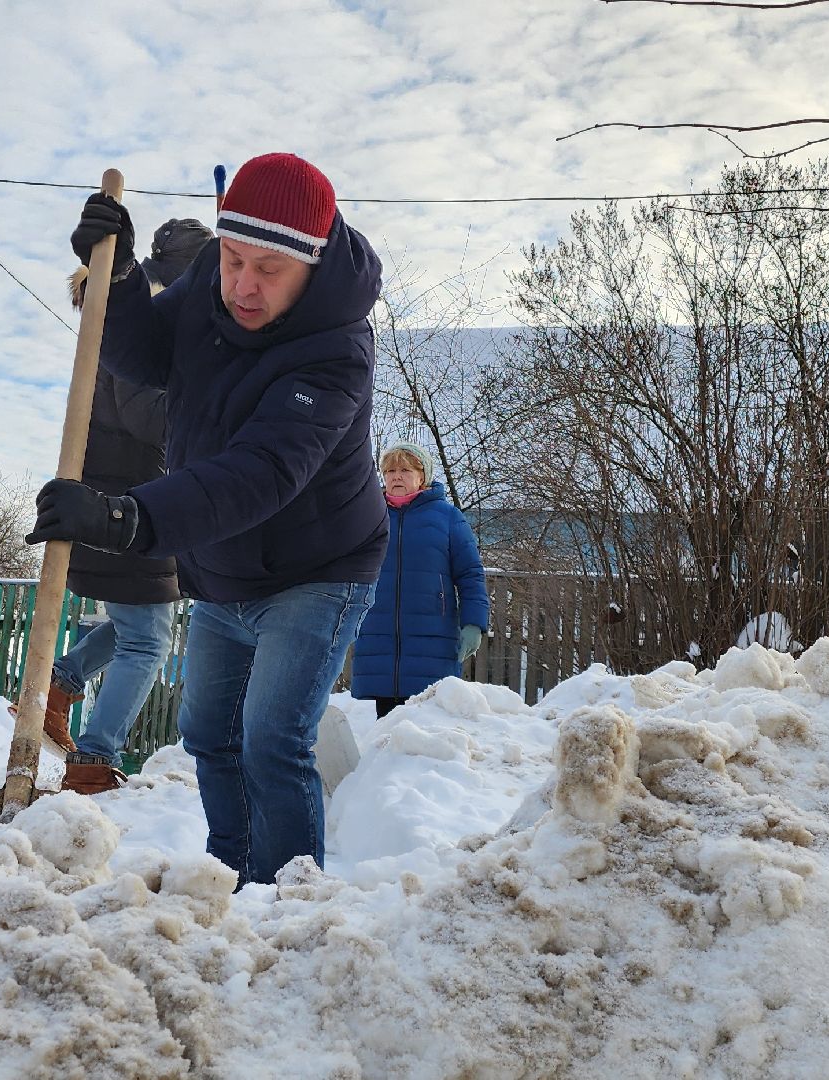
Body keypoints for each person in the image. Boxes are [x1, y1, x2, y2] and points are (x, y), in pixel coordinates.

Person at [29, 153, 387, 885]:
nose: (242, 286)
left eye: (268, 270)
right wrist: (121, 278)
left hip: (318, 572)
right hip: (225, 567)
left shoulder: (336, 350)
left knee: (270, 740)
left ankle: (287, 902)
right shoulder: (210, 284)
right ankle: (228, 880)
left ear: (312, 266)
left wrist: (125, 518)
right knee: (207, 737)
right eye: (231, 259)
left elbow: (260, 473)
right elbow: (144, 355)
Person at [51, 218, 216, 796]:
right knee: (148, 636)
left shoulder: (123, 317)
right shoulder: (139, 329)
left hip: (117, 492)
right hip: (127, 499)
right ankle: (94, 759)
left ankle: (59, 683)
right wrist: (208, 407)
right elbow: (149, 416)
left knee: (135, 623)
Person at [350, 442, 489, 717]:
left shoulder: (447, 517)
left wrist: (474, 623)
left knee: (429, 725)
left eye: (404, 469)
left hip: (432, 635)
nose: (396, 476)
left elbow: (470, 574)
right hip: (378, 632)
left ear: (422, 476)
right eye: (390, 471)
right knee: (387, 727)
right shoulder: (369, 515)